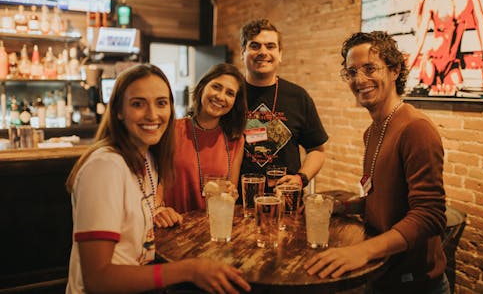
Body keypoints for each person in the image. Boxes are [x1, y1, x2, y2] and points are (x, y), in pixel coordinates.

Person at [65, 64, 250, 293]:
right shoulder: (106, 167)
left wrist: (160, 210)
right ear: (119, 110)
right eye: (138, 104)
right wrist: (189, 270)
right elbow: (98, 279)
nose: (152, 115)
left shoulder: (148, 162)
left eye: (161, 103)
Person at [304, 31, 449, 294]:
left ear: (394, 71)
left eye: (370, 68)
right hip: (380, 274)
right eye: (352, 72)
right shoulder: (372, 132)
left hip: (414, 283)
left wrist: (362, 251)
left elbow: (430, 214)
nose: (359, 80)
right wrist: (341, 207)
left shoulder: (415, 128)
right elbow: (381, 199)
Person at [239, 18, 328, 192]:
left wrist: (301, 178)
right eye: (255, 46)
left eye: (270, 46)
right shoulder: (230, 95)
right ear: (243, 52)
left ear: (280, 54)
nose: (263, 52)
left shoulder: (298, 96)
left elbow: (317, 150)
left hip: (286, 203)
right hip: (237, 202)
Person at [164, 63, 247, 213]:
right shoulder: (172, 130)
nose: (221, 96)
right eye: (216, 87)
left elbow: (230, 193)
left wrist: (232, 193)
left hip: (212, 227)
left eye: (230, 93)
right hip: (173, 227)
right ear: (202, 87)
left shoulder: (235, 139)